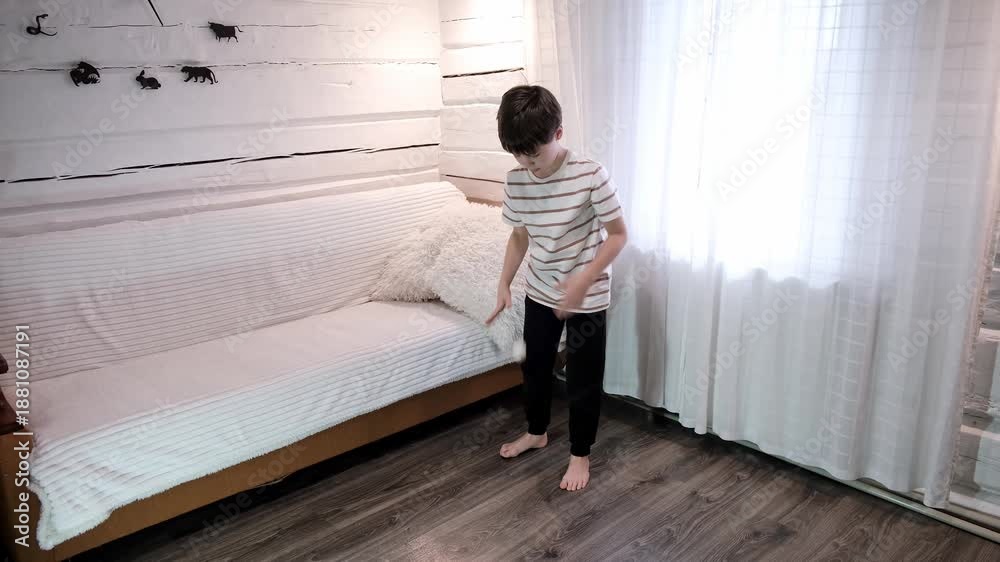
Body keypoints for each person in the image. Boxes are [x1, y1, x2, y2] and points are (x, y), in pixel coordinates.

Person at [486, 85, 628, 491]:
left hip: (587, 295)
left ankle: (580, 454)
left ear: (559, 134)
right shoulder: (517, 180)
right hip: (541, 291)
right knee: (534, 366)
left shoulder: (590, 174)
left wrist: (583, 280)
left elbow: (619, 235)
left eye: (534, 154)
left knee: (583, 377)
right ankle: (536, 432)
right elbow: (519, 235)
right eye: (518, 155)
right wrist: (504, 282)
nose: (528, 163)